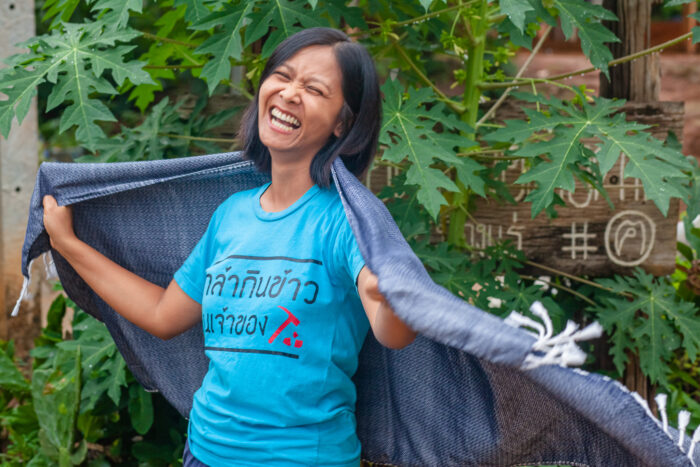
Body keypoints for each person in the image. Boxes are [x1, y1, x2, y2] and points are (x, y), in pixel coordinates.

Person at [42, 27, 416, 466]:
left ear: (343, 123)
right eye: (283, 75)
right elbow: (164, 315)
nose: (290, 93)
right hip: (204, 450)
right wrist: (68, 245)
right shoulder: (231, 215)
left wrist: (386, 296)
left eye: (314, 89)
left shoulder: (346, 221)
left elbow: (396, 333)